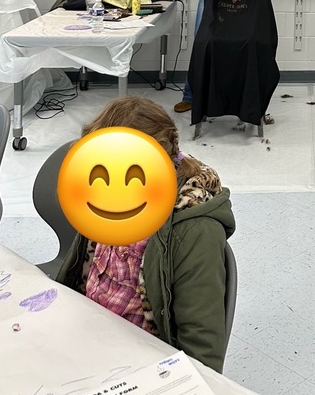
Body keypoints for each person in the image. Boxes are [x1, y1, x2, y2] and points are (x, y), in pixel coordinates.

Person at [56, 97, 235, 372]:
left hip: (141, 364)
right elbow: (82, 270)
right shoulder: (107, 200)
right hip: (90, 334)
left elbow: (203, 346)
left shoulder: (195, 231)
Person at [188, 0, 280, 129]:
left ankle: (249, 109)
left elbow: (262, 21)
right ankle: (208, 106)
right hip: (220, 35)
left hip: (250, 38)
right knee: (205, 44)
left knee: (254, 44)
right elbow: (210, 20)